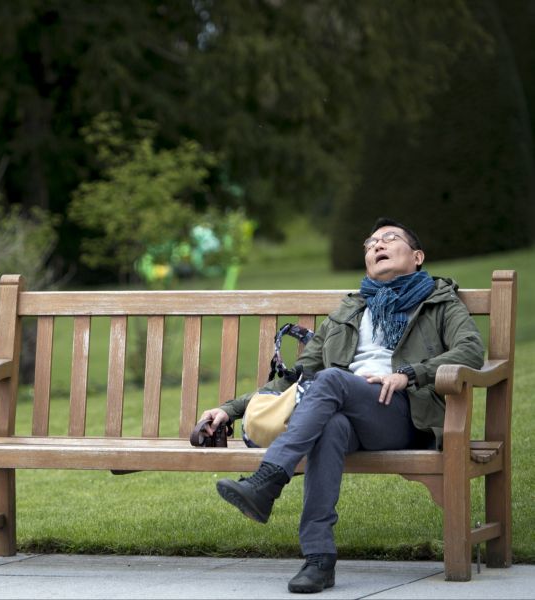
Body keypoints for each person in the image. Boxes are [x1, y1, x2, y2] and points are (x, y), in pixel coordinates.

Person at [198, 217, 484, 594]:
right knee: (329, 423)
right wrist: (230, 409)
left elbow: (471, 350)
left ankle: (266, 483)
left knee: (331, 379)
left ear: (417, 257)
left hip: (402, 413)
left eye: (389, 239)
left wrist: (409, 374)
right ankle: (319, 559)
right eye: (370, 243)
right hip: (345, 411)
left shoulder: (439, 301)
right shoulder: (349, 311)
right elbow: (297, 375)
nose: (377, 245)